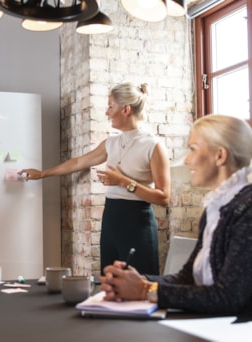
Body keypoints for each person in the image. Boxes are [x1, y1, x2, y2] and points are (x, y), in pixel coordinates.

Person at [100, 114, 252, 315]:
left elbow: (228, 297)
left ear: (220, 155)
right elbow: (186, 279)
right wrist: (139, 280)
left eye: (192, 149)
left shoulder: (247, 211)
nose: (187, 160)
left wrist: (145, 291)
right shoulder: (215, 208)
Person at [18, 82, 170, 275]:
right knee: (109, 285)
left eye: (110, 107)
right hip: (111, 221)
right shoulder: (111, 142)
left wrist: (123, 181)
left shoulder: (154, 146)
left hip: (137, 223)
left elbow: (163, 197)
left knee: (139, 289)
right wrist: (42, 173)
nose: (107, 113)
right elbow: (77, 163)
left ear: (126, 109)